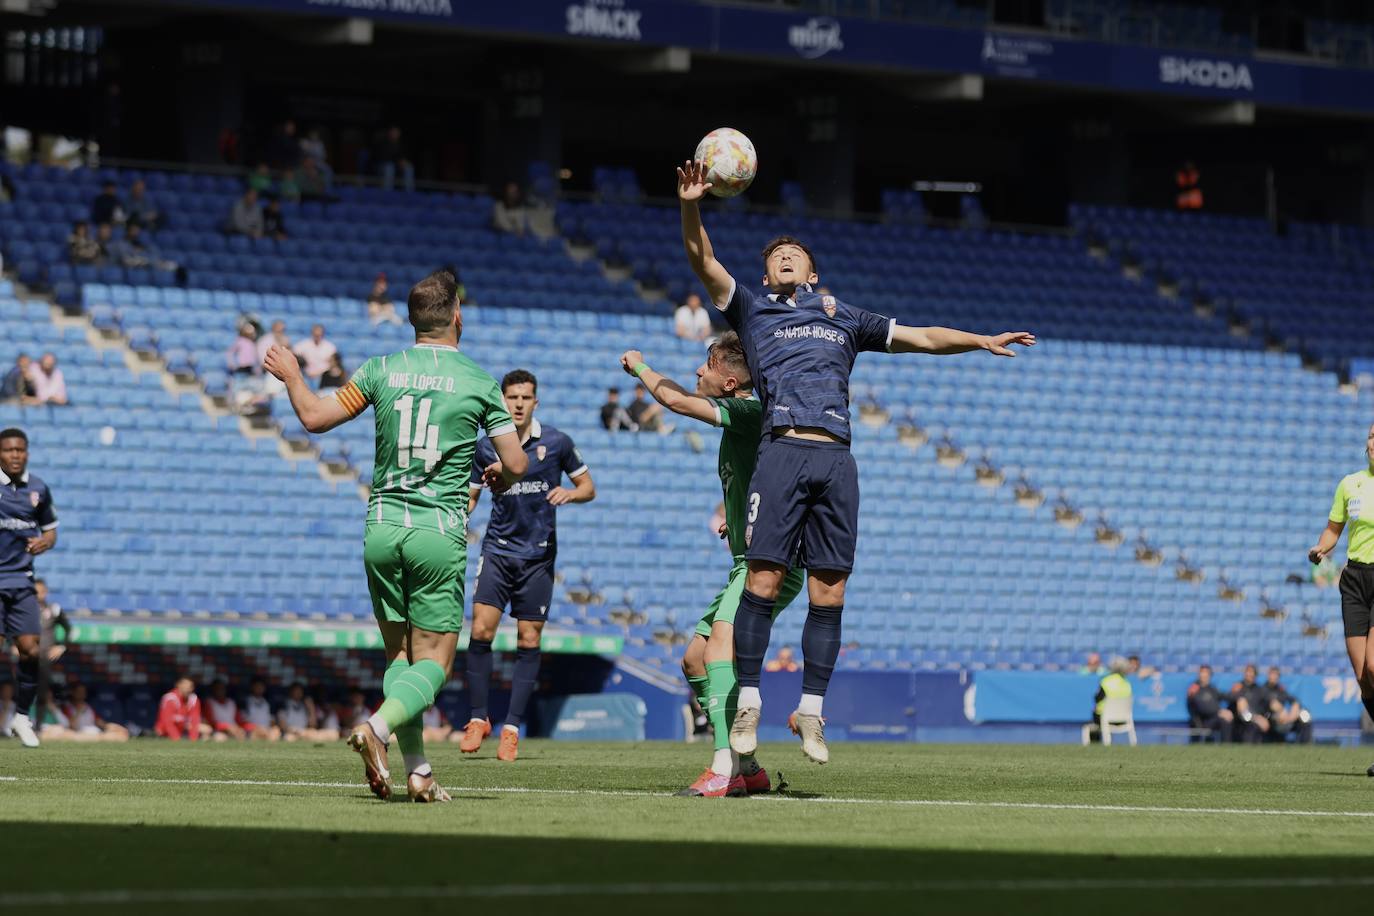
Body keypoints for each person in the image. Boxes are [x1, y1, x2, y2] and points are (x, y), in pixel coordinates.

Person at [676, 158, 1035, 763]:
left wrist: (980, 340)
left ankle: (812, 712)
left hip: (837, 458)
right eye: (775, 254)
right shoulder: (753, 311)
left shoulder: (844, 318)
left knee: (831, 591)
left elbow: (920, 336)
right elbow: (703, 261)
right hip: (783, 450)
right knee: (762, 581)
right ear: (766, 275)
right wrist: (692, 204)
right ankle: (750, 703)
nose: (784, 256)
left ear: (813, 272)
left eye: (795, 252)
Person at [264, 269, 528, 802]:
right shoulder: (478, 380)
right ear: (457, 316)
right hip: (436, 531)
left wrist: (293, 374)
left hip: (382, 527)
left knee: (399, 661)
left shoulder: (380, 370)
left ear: (413, 322)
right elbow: (517, 462)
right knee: (434, 662)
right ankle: (376, 730)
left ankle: (419, 772)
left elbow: (314, 418)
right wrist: (502, 474)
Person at [618, 333, 803, 796]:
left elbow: (677, 402)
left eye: (707, 366)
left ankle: (723, 768)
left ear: (731, 380)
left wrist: (641, 367)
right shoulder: (742, 422)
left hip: (769, 562)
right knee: (695, 659)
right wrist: (735, 517)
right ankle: (749, 766)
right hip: (750, 557)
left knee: (720, 644)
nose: (699, 372)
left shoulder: (747, 411)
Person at [461, 369, 595, 762]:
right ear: (502, 401)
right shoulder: (486, 448)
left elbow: (589, 487)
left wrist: (570, 494)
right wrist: (459, 515)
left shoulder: (556, 442)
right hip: (498, 552)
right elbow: (470, 498)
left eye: (525, 398)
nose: (518, 404)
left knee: (529, 641)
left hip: (538, 556)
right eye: (512, 397)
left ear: (535, 401)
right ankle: (476, 718)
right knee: (481, 630)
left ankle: (512, 728)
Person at [1310, 422, 1374, 770]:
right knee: (1363, 674)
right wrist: (1322, 548)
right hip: (1354, 579)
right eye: (1372, 435)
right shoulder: (1350, 484)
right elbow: (1334, 529)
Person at [0, 428, 58, 748]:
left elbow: (51, 531)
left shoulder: (38, 488)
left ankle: (21, 717)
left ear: (27, 453)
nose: (15, 455)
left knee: (31, 649)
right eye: (9, 450)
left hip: (22, 582)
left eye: (20, 450)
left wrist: (44, 543)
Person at [33, 577, 69, 727]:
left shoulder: (54, 610)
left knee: (42, 692)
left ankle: (38, 727)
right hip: (26, 656)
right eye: (35, 591)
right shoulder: (24, 610)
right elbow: (10, 628)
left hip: (44, 658)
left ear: (46, 592)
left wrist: (61, 646)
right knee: (21, 691)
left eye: (41, 591)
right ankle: (16, 723)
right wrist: (13, 645)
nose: (38, 594)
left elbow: (69, 629)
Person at [62, 683, 128, 742]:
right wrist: (78, 711)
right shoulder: (67, 707)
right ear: (73, 692)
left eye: (83, 692)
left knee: (120, 732)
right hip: (77, 735)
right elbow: (71, 726)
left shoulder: (88, 707)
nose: (82, 694)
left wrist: (112, 727)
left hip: (93, 732)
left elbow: (99, 722)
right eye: (79, 691)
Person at [1263, 666, 1313, 744]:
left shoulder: (1281, 689)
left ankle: (1305, 745)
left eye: (1276, 675)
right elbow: (1272, 704)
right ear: (1268, 675)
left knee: (1305, 717)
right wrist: (1282, 711)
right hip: (1270, 718)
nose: (1274, 677)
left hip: (1286, 718)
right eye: (1272, 674)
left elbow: (1294, 701)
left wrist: (1293, 711)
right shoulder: (1263, 689)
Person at [1088, 656, 1132, 742]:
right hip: (1123, 719)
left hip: (1104, 718)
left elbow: (1097, 698)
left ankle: (1095, 743)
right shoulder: (1127, 683)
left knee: (1095, 714)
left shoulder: (1105, 681)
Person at [1185, 664, 1232, 743]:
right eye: (1202, 672)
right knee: (1223, 718)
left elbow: (1225, 696)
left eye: (1206, 673)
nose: (1204, 675)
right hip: (1200, 721)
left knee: (1226, 718)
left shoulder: (1212, 689)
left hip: (1213, 719)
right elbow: (1201, 706)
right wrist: (1219, 711)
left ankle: (1226, 747)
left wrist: (1240, 697)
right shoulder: (1194, 688)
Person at [1228, 664, 1271, 744]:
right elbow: (1230, 697)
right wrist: (1256, 718)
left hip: (1256, 721)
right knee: (1241, 701)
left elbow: (1267, 704)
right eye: (1247, 672)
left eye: (1251, 672)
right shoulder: (1238, 686)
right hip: (1240, 720)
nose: (1249, 674)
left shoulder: (1260, 689)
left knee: (1256, 726)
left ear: (1255, 674)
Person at [155, 677, 207, 741]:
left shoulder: (194, 699)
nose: (187, 689)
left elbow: (195, 720)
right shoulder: (170, 698)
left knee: (206, 730)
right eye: (185, 686)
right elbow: (167, 722)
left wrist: (193, 739)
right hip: (165, 732)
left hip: (183, 729)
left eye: (190, 686)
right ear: (178, 685)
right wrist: (176, 738)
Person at [374, 126, 415, 192]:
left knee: (409, 168)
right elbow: (382, 157)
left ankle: (409, 192)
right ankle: (387, 192)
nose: (395, 134)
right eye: (393, 132)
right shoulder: (383, 143)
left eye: (396, 132)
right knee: (389, 167)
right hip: (383, 165)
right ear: (389, 133)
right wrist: (398, 161)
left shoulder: (401, 144)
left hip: (397, 165)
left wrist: (404, 162)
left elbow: (402, 156)